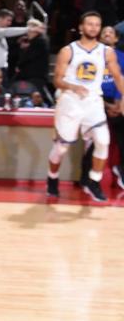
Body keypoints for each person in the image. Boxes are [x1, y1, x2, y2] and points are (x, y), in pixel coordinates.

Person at [47, 12, 124, 202]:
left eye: (97, 25)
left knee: (103, 140)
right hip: (70, 101)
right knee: (61, 149)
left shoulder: (106, 52)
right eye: (89, 24)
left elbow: (117, 76)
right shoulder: (68, 50)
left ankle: (93, 181)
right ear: (81, 27)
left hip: (93, 102)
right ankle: (52, 177)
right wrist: (72, 86)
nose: (93, 28)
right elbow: (56, 80)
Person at [81, 25, 124, 189]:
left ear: (116, 39)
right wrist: (105, 105)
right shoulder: (91, 57)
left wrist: (119, 103)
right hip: (96, 101)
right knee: (94, 142)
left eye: (110, 33)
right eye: (104, 32)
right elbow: (88, 84)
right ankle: (85, 179)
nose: (107, 34)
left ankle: (121, 170)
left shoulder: (122, 57)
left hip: (118, 101)